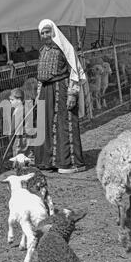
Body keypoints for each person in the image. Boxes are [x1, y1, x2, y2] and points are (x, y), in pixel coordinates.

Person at [33, 19, 87, 174]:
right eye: (42, 33)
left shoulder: (65, 48)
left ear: (54, 32)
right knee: (45, 125)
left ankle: (68, 162)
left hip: (61, 90)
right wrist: (38, 94)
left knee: (63, 123)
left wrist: (72, 93)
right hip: (45, 91)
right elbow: (40, 76)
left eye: (47, 32)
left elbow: (74, 71)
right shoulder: (43, 50)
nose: (45, 35)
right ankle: (47, 162)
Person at [9, 88, 29, 158]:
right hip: (26, 138)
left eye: (12, 100)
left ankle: (18, 168)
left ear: (19, 100)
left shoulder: (16, 112)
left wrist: (10, 139)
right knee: (25, 155)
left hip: (18, 139)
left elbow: (12, 129)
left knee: (18, 156)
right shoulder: (25, 109)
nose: (10, 102)